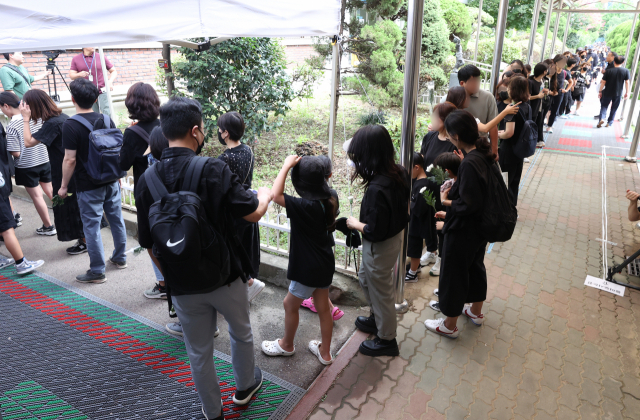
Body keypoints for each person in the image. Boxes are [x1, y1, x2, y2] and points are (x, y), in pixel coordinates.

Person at [134, 96, 271, 420]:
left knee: (198, 351)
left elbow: (149, 241)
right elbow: (251, 214)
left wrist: (171, 271)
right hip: (224, 276)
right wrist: (263, 195)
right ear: (196, 131)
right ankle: (244, 388)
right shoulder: (212, 168)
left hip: (181, 285)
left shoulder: (146, 180)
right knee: (241, 332)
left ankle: (212, 412)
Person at [261, 155, 339, 365]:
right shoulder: (331, 197)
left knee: (289, 304)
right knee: (324, 308)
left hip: (307, 268)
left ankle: (286, 345)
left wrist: (286, 165)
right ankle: (325, 353)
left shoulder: (304, 206)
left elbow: (275, 195)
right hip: (324, 263)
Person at [424, 110, 491, 339]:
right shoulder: (482, 154)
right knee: (475, 268)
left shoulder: (470, 162)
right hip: (479, 230)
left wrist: (446, 202)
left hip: (464, 231)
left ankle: (449, 324)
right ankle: (475, 311)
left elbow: (468, 205)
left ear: (455, 135)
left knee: (454, 275)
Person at [346, 124, 410, 357]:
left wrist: (355, 224)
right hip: (394, 238)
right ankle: (377, 319)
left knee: (381, 290)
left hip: (380, 245)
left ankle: (387, 339)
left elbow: (374, 230)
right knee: (366, 277)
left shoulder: (376, 188)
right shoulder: (399, 171)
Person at [59, 78, 128, 283]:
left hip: (88, 185)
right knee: (116, 219)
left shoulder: (70, 125)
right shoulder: (107, 119)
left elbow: (70, 159)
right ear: (97, 98)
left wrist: (63, 186)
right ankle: (120, 257)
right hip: (111, 180)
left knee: (92, 226)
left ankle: (97, 271)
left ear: (72, 99)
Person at [19, 89, 89, 254]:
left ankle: (85, 242)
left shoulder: (52, 123)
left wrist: (25, 119)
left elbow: (28, 142)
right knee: (75, 206)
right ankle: (85, 239)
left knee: (70, 207)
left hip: (64, 171)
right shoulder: (62, 118)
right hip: (73, 170)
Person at [116, 82, 165, 297]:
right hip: (168, 189)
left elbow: (123, 164)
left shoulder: (132, 133)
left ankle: (165, 283)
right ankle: (168, 281)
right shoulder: (165, 125)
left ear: (131, 104)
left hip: (147, 193)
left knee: (149, 239)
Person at [216, 111, 266, 303]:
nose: (219, 133)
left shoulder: (224, 159)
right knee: (246, 249)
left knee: (233, 252)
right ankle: (248, 283)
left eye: (220, 129)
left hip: (233, 210)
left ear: (226, 133)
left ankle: (248, 286)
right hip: (248, 204)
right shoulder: (248, 150)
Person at [0, 91, 57, 236]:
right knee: (51, 192)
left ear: (6, 106)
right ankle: (64, 218)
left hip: (26, 166)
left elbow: (16, 153)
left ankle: (48, 226)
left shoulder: (12, 125)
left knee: (37, 196)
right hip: (44, 160)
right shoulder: (34, 117)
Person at [420, 101, 458, 275]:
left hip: (445, 191)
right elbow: (422, 158)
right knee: (428, 221)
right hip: (428, 187)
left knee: (442, 223)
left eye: (436, 116)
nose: (432, 119)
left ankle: (442, 258)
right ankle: (432, 251)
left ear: (445, 120)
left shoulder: (454, 143)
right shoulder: (429, 137)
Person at [498, 76, 532, 206]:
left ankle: (505, 209)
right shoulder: (527, 107)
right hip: (520, 149)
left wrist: (498, 135)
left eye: (509, 87)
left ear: (513, 90)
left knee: (505, 180)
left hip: (509, 150)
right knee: (515, 181)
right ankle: (512, 208)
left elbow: (509, 133)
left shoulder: (511, 108)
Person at [457, 65, 499, 158]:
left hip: (481, 147)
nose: (477, 84)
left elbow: (492, 126)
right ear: (462, 83)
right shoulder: (452, 97)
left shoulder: (488, 97)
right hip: (459, 148)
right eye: (473, 81)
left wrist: (494, 149)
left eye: (478, 80)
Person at [405, 152, 430, 283]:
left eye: (410, 169)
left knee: (414, 249)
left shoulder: (423, 185)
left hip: (417, 224)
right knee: (414, 247)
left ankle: (412, 274)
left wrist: (409, 205)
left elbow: (419, 208)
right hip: (416, 223)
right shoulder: (419, 182)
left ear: (417, 167)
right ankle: (416, 267)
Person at [69, 48, 118, 116]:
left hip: (102, 91)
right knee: (92, 114)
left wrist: (110, 82)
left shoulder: (100, 56)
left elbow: (113, 71)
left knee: (108, 113)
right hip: (87, 93)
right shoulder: (76, 58)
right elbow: (72, 75)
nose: (93, 46)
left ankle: (110, 126)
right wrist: (79, 74)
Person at [597, 55, 630, 128]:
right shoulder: (626, 71)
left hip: (607, 92)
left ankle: (602, 118)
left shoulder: (609, 71)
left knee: (604, 106)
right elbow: (627, 82)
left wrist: (600, 91)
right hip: (618, 93)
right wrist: (627, 92)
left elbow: (603, 82)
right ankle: (610, 122)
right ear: (623, 62)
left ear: (614, 61)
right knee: (614, 108)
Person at [546, 55, 568, 134]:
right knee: (546, 109)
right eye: (561, 62)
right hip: (549, 93)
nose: (563, 64)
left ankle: (549, 126)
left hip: (559, 94)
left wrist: (565, 90)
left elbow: (571, 81)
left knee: (554, 110)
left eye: (564, 63)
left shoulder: (564, 72)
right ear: (556, 62)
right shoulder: (551, 70)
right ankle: (546, 122)